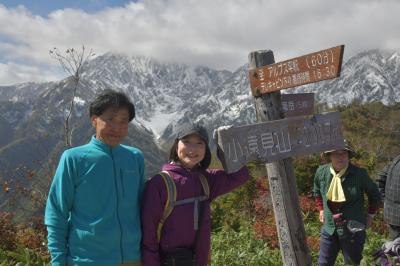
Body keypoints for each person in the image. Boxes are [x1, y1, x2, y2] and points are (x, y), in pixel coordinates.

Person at [45, 89, 145, 266]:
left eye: (123, 122)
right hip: (86, 260)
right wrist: (58, 261)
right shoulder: (74, 158)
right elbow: (56, 213)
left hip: (133, 259)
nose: (117, 128)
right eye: (110, 120)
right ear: (94, 120)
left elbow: (144, 208)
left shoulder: (135, 158)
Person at [141, 123, 250, 266]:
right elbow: (148, 236)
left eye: (199, 143)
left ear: (206, 149)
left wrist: (227, 144)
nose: (192, 149)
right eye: (186, 142)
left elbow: (240, 176)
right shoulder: (160, 183)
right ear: (176, 146)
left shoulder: (206, 179)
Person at [313, 140, 381, 266]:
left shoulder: (359, 174)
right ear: (329, 156)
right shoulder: (321, 172)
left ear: (348, 155)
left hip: (353, 228)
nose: (341, 157)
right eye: (336, 154)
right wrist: (321, 209)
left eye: (344, 153)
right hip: (329, 228)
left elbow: (375, 195)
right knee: (324, 263)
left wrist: (370, 215)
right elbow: (317, 191)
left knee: (352, 263)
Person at [377, 155, 400, 239]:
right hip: (394, 216)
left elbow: (380, 177)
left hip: (392, 215)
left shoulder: (397, 159)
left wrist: (385, 200)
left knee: (395, 248)